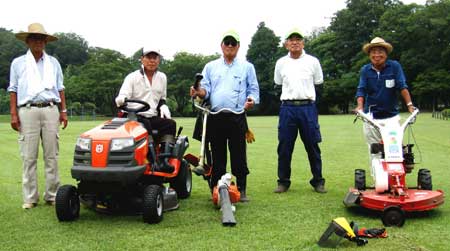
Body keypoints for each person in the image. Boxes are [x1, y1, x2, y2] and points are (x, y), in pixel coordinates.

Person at [189, 30, 260, 202]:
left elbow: (254, 90)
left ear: (238, 46)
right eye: (226, 43)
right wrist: (198, 92)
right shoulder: (210, 66)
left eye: (233, 43)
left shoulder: (247, 67)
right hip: (215, 116)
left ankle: (241, 189)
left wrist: (251, 100)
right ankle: (217, 188)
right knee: (218, 155)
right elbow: (206, 91)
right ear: (221, 45)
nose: (229, 46)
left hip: (237, 115)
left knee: (239, 154)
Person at [8, 23, 68, 209]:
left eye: (41, 39)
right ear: (27, 41)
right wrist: (13, 114)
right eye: (34, 38)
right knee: (29, 156)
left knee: (52, 155)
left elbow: (60, 88)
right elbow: (13, 89)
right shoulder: (18, 63)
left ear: (45, 42)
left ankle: (52, 194)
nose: (38, 42)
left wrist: (63, 111)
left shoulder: (53, 63)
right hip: (28, 110)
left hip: (50, 108)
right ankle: (30, 197)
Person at [273, 28, 326, 194]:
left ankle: (318, 181)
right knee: (284, 146)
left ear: (303, 42)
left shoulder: (313, 61)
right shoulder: (281, 63)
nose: (295, 42)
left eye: (298, 39)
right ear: (286, 44)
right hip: (287, 108)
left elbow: (318, 82)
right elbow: (278, 82)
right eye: (291, 39)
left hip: (307, 107)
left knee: (312, 145)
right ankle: (283, 182)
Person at [355, 37, 414, 166]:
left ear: (386, 54)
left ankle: (395, 177)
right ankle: (377, 179)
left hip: (391, 116)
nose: (377, 55)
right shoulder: (365, 70)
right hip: (371, 117)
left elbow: (402, 86)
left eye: (380, 51)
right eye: (373, 52)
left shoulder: (394, 67)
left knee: (394, 148)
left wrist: (410, 105)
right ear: (369, 54)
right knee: (375, 149)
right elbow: (361, 89)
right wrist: (359, 106)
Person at [115, 47, 176, 172]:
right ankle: (152, 161)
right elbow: (123, 95)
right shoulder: (132, 77)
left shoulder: (162, 78)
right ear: (142, 59)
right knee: (145, 124)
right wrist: (121, 99)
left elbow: (161, 98)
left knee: (170, 124)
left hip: (151, 115)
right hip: (132, 116)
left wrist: (163, 105)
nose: (152, 61)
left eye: (155, 57)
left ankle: (164, 160)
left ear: (159, 60)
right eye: (149, 57)